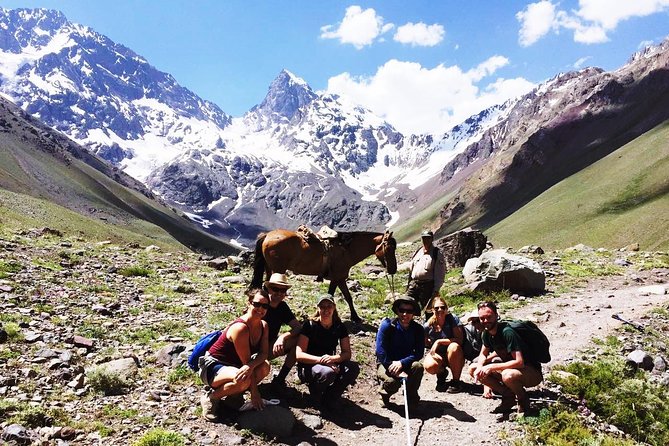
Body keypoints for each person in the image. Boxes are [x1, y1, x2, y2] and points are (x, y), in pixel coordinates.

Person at [199, 288, 271, 421]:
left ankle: (234, 395)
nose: (261, 309)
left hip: (236, 366)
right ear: (249, 303)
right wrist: (254, 393)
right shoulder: (241, 328)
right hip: (213, 366)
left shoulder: (264, 325)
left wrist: (250, 366)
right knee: (244, 379)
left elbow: (263, 353)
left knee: (265, 366)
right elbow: (246, 363)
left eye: (265, 306)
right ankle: (211, 397)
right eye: (257, 304)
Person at [473, 301, 543, 415]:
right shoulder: (486, 333)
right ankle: (508, 396)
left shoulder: (507, 332)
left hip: (531, 372)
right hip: (512, 369)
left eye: (489, 317)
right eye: (482, 318)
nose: (485, 321)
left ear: (496, 315)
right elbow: (483, 354)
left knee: (507, 375)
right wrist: (480, 367)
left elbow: (519, 362)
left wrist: (491, 367)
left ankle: (523, 399)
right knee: (473, 368)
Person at [296, 294, 360, 411]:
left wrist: (333, 359)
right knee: (328, 372)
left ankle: (330, 397)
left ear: (334, 307)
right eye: (322, 306)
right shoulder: (309, 325)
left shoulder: (339, 326)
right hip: (309, 366)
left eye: (329, 306)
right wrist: (323, 361)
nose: (326, 310)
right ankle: (315, 395)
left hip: (330, 362)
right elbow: (299, 355)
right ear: (318, 308)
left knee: (353, 368)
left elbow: (347, 353)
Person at [375, 296, 425, 407]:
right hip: (386, 363)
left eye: (409, 311)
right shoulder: (387, 325)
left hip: (405, 362)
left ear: (413, 313)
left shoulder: (418, 329)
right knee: (393, 381)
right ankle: (384, 394)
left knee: (418, 367)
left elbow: (419, 353)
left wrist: (401, 363)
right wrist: (392, 367)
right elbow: (380, 351)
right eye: (402, 310)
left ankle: (411, 396)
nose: (405, 314)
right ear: (397, 311)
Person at [262, 273, 302, 391]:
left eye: (283, 290)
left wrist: (282, 337)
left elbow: (298, 327)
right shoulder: (261, 303)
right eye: (275, 289)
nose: (279, 293)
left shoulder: (282, 307)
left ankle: (280, 379)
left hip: (269, 346)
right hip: (252, 349)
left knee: (298, 340)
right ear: (269, 289)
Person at [422, 297, 465, 393]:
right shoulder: (427, 325)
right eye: (437, 308)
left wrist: (439, 341)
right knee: (429, 366)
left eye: (443, 307)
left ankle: (456, 382)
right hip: (439, 354)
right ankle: (441, 373)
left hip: (454, 354)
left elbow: (459, 340)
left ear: (446, 309)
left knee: (454, 347)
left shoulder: (452, 319)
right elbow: (425, 343)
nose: (440, 310)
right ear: (432, 310)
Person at [407, 230, 446, 315]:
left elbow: (440, 273)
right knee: (406, 304)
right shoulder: (418, 252)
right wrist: (409, 283)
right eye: (424, 238)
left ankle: (429, 327)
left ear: (432, 239)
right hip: (414, 284)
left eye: (428, 238)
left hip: (427, 286)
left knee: (429, 310)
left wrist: (436, 290)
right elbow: (411, 270)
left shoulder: (436, 253)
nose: (425, 240)